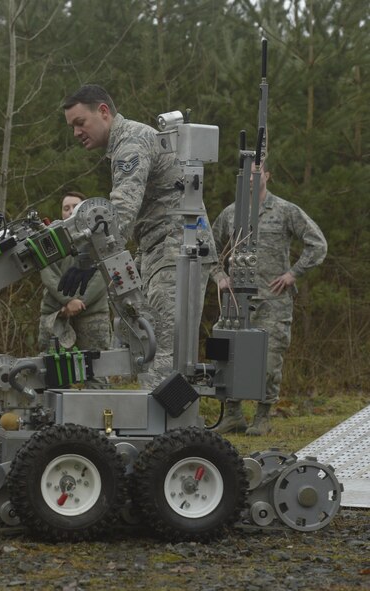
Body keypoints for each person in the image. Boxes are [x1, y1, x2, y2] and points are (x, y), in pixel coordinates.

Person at [61, 85, 217, 389]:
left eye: (80, 123)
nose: (76, 132)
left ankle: (169, 431)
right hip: (160, 248)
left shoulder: (130, 142)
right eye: (72, 127)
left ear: (103, 112)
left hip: (176, 251)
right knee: (148, 340)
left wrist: (87, 257)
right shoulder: (124, 142)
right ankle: (164, 428)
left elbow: (120, 213)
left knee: (165, 353)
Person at [211, 159, 327, 435]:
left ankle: (263, 416)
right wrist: (219, 277)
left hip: (273, 301)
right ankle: (233, 414)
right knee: (228, 356)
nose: (251, 178)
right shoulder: (231, 213)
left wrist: (293, 273)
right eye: (246, 174)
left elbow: (317, 244)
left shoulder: (285, 210)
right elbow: (208, 248)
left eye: (256, 172)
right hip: (237, 301)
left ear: (267, 175)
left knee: (270, 360)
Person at [38, 192, 111, 354]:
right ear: (61, 212)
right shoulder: (48, 239)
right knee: (53, 372)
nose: (71, 211)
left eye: (76, 207)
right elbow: (48, 274)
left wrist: (80, 302)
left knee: (96, 370)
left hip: (92, 312)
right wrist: (69, 301)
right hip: (56, 314)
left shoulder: (102, 238)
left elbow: (103, 274)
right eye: (66, 208)